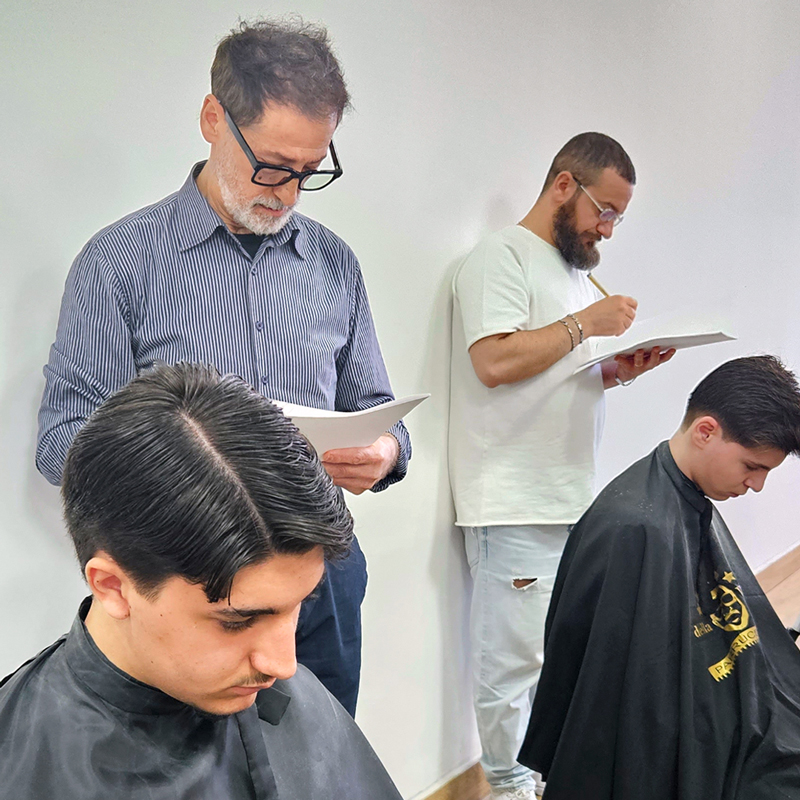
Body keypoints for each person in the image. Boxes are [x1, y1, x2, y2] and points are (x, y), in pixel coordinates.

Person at [36, 18, 411, 716]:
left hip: (320, 580)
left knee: (321, 759)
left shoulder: (334, 264)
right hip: (190, 591)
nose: (287, 193)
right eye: (272, 165)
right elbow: (63, 442)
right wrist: (191, 464)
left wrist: (385, 451)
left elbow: (377, 408)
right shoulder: (119, 263)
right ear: (213, 118)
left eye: (309, 173)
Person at [2, 363, 403, 799]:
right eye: (237, 621)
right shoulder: (22, 763)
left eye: (300, 604)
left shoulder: (294, 697)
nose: (285, 666)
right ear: (113, 587)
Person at [448, 132, 675, 799]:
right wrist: (588, 326)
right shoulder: (500, 257)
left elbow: (549, 375)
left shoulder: (571, 275)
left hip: (567, 495)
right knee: (511, 664)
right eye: (604, 211)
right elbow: (494, 361)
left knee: (553, 656)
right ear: (564, 185)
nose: (607, 229)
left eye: (618, 218)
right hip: (512, 498)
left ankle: (543, 778)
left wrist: (617, 370)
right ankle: (507, 785)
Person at [519, 355, 800, 799]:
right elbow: (622, 707)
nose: (757, 485)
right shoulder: (632, 529)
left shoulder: (686, 496)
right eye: (752, 467)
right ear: (705, 431)